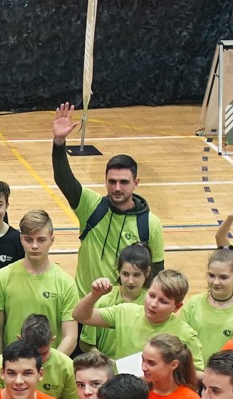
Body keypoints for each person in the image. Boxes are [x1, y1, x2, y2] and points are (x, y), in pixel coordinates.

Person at [51, 103, 165, 292]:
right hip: (85, 305)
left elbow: (156, 274)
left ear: (136, 183)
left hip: (124, 307)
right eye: (112, 181)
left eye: (124, 182)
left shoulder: (151, 224)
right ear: (105, 181)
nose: (117, 188)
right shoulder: (91, 206)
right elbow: (63, 179)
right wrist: (59, 143)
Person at [0, 210, 78, 362]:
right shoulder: (2, 277)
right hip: (13, 366)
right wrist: (0, 364)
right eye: (29, 240)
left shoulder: (66, 283)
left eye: (41, 240)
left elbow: (70, 336)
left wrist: (47, 364)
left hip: (49, 368)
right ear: (21, 239)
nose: (34, 246)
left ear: (52, 240)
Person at [72, 269, 206, 366]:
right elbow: (80, 316)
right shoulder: (124, 312)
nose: (153, 304)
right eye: (151, 295)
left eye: (163, 301)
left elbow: (197, 375)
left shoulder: (186, 335)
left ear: (177, 307)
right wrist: (94, 295)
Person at [183, 249, 233, 355]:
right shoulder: (193, 304)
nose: (216, 282)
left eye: (223, 277)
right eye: (211, 275)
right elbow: (180, 342)